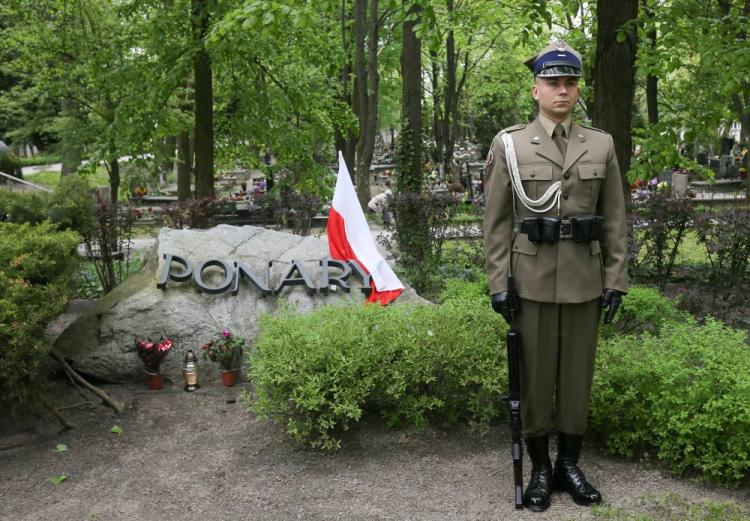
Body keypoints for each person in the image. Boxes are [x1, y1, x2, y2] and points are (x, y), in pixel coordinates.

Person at [483, 40, 628, 512]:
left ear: (577, 89)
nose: (562, 90)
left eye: (569, 82)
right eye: (552, 82)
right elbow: (497, 222)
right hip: (533, 281)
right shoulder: (511, 145)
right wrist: (499, 283)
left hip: (585, 280)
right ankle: (542, 468)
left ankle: (570, 464)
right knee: (536, 377)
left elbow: (614, 220)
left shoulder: (601, 143)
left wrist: (616, 278)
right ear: (536, 90)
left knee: (576, 378)